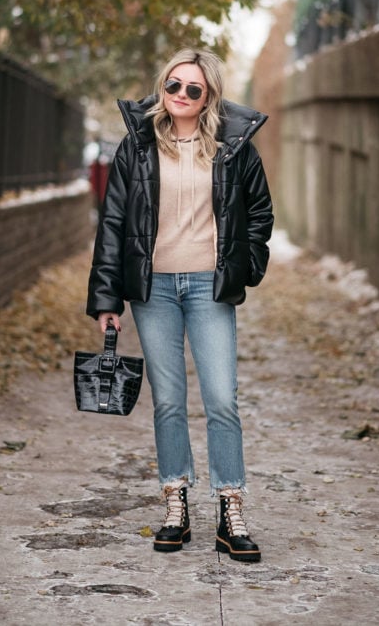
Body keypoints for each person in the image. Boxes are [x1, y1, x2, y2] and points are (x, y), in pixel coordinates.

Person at [86, 48, 273, 563]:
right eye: (174, 85)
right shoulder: (138, 146)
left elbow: (259, 211)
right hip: (155, 290)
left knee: (221, 399)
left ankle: (231, 511)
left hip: (209, 287)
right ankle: (176, 504)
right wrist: (106, 298)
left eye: (194, 88)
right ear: (162, 88)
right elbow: (114, 224)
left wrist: (245, 265)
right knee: (168, 399)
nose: (182, 96)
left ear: (209, 94)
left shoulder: (234, 147)